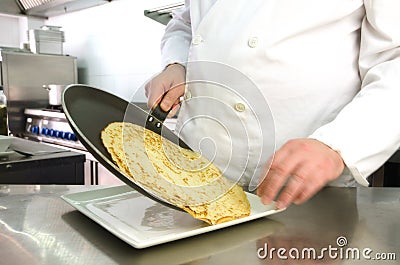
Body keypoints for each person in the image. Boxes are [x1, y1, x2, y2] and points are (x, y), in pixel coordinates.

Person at [145, 0, 400, 209]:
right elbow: (188, 20)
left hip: (301, 182)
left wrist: (338, 144)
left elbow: (394, 61)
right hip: (198, 164)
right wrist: (176, 63)